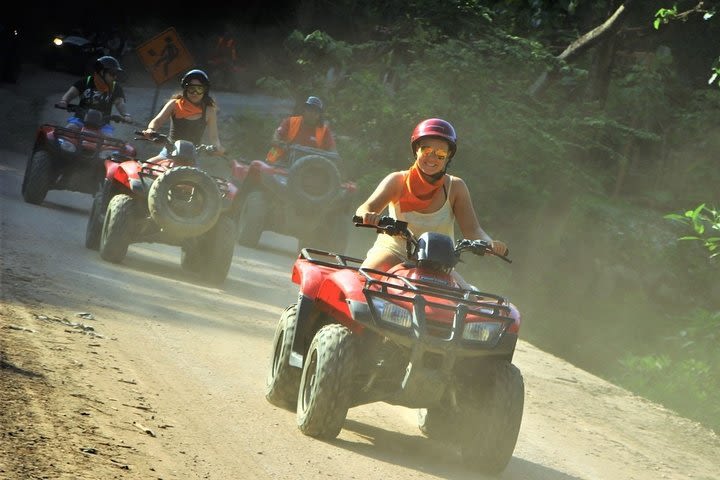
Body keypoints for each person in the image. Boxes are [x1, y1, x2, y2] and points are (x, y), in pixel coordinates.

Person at [355, 118, 508, 286]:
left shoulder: (456, 187)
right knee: (364, 282)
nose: (432, 158)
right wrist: (368, 216)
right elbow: (365, 208)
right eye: (426, 150)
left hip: (438, 262)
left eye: (441, 154)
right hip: (394, 252)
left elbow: (472, 230)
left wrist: (490, 243)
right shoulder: (397, 181)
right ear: (416, 151)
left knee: (470, 301)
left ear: (448, 157)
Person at [142, 69, 225, 161]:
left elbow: (214, 137)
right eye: (191, 89)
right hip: (169, 153)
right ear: (185, 89)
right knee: (144, 167)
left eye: (199, 89)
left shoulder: (209, 111)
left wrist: (218, 147)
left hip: (192, 157)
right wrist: (150, 130)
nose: (195, 93)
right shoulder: (174, 104)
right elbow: (157, 121)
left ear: (205, 91)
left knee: (197, 176)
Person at [57, 55, 131, 136]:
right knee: (70, 129)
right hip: (80, 119)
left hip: (103, 123)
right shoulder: (86, 81)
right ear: (102, 72)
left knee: (107, 139)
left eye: (116, 74)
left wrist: (125, 115)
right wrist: (64, 101)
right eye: (112, 73)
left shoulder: (115, 87)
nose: (115, 77)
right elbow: (71, 93)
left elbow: (119, 103)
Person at [266, 95, 336, 163]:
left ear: (319, 115)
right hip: (283, 162)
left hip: (310, 167)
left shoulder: (324, 130)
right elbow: (275, 138)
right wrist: (283, 145)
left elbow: (333, 153)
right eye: (309, 109)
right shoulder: (291, 121)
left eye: (315, 111)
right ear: (304, 110)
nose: (312, 113)